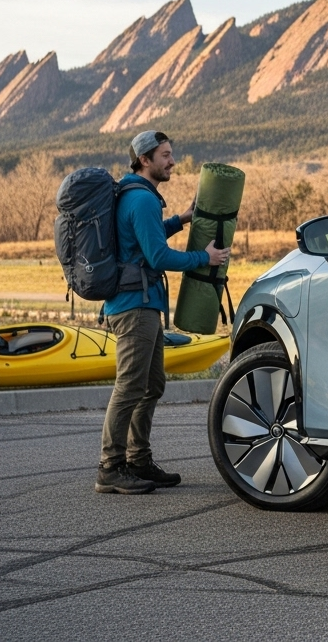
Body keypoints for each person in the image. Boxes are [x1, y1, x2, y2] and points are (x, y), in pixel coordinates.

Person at [95, 130, 229, 495]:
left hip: (144, 304)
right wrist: (206, 258)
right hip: (134, 307)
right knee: (129, 387)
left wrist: (182, 219)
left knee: (152, 385)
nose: (172, 161)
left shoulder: (139, 197)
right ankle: (110, 467)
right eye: (166, 155)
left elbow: (147, 240)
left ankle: (138, 460)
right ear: (144, 160)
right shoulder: (141, 200)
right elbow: (158, 257)